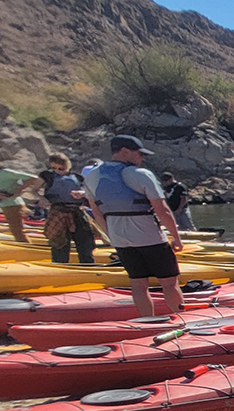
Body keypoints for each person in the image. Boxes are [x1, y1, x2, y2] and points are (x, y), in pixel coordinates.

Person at [83, 135, 184, 317]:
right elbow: (162, 210)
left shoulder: (92, 176)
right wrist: (176, 238)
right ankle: (181, 318)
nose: (142, 158)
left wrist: (111, 235)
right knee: (169, 283)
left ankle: (148, 321)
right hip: (149, 237)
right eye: (139, 153)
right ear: (124, 151)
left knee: (138, 284)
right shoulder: (141, 174)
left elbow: (96, 212)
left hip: (120, 240)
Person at [37, 153, 97, 265]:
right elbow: (32, 190)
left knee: (85, 243)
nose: (57, 171)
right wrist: (42, 199)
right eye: (54, 168)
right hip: (58, 212)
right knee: (59, 244)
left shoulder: (78, 177)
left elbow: (90, 192)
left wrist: (82, 194)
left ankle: (88, 266)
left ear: (68, 165)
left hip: (77, 212)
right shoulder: (47, 176)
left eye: (61, 168)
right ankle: (59, 267)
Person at [0, 163, 41, 244]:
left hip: (12, 204)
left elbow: (33, 178)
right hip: (4, 204)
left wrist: (18, 190)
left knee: (17, 231)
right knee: (16, 231)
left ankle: (29, 251)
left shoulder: (6, 173)